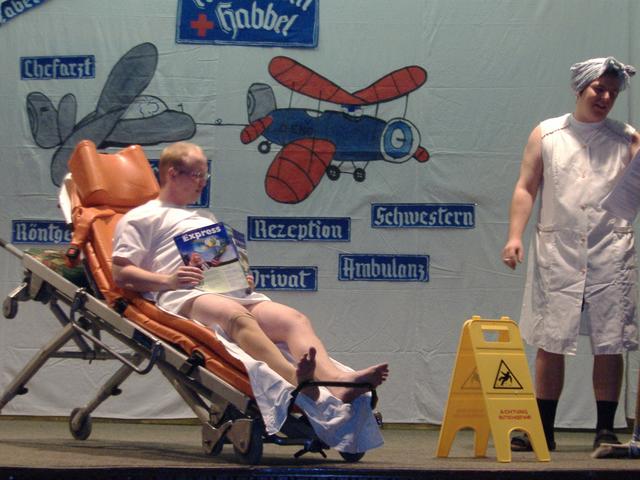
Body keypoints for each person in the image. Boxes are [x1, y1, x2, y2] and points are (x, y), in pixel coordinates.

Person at [112, 141, 389, 403]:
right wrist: (169, 280)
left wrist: (239, 276)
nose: (202, 182)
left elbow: (217, 262)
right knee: (236, 315)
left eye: (205, 176)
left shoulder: (204, 217)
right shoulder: (140, 217)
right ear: (172, 173)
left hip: (226, 293)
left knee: (293, 319)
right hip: (182, 295)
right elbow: (121, 273)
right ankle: (296, 380)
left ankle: (338, 382)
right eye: (197, 175)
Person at [502, 57, 640, 451]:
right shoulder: (547, 134)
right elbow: (526, 187)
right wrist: (514, 236)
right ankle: (543, 429)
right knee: (551, 339)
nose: (605, 98)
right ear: (580, 88)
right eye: (599, 89)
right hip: (558, 250)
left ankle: (605, 428)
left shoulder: (627, 138)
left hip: (610, 248)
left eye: (612, 92)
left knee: (610, 341)